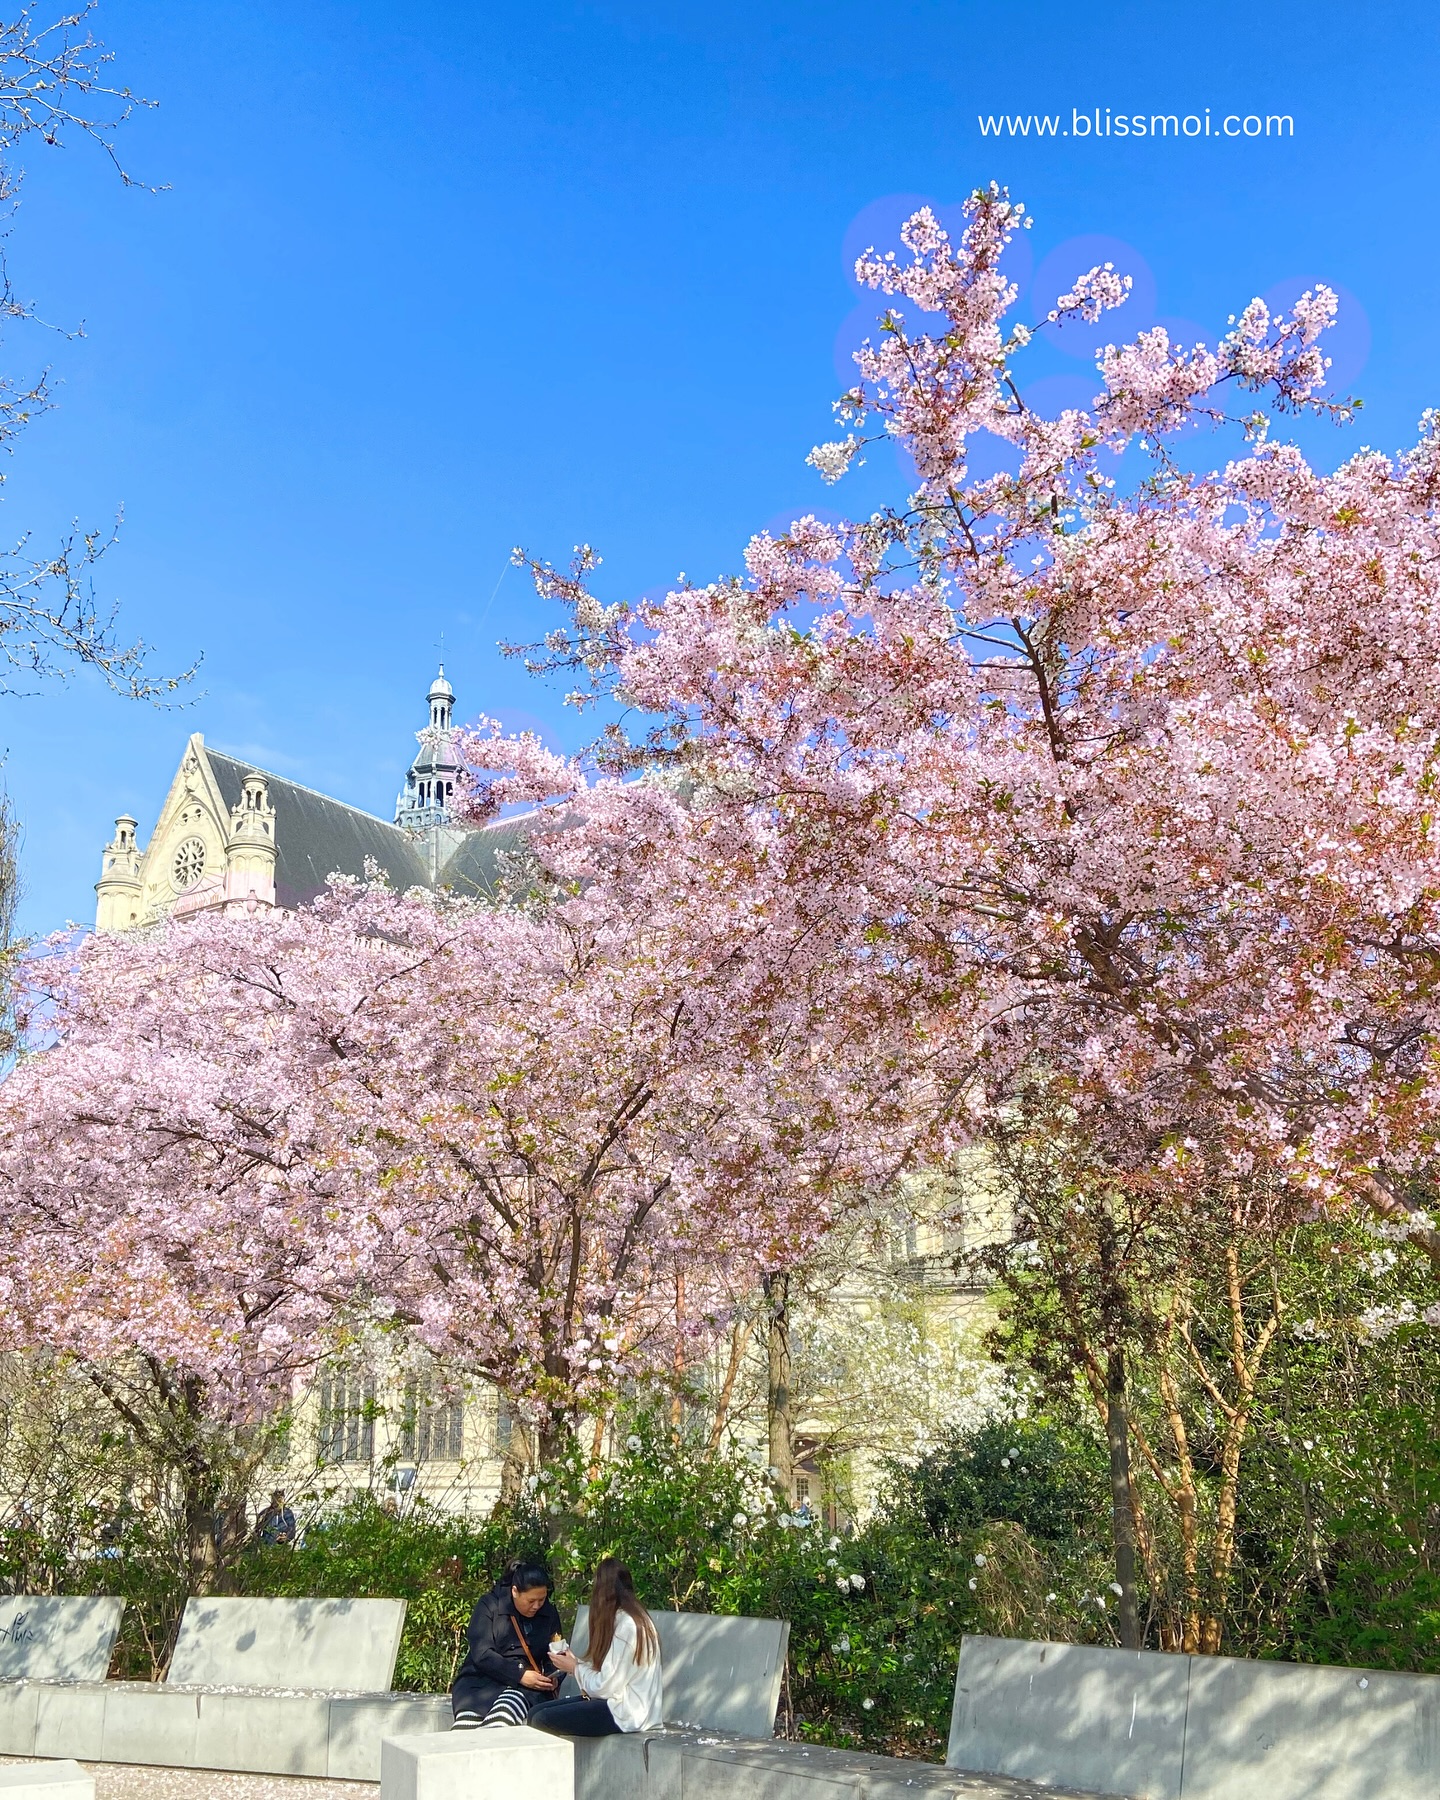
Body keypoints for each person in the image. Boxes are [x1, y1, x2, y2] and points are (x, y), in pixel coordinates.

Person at [533, 1558, 662, 1737]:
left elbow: (605, 1687)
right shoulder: (629, 1619)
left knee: (541, 1719)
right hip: (617, 1704)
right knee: (535, 1713)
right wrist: (575, 1664)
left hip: (626, 1712)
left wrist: (575, 1668)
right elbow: (610, 1675)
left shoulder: (628, 1626)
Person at [450, 1560, 565, 1729]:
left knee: (501, 1721)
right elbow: (482, 1653)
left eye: (541, 1600)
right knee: (465, 1728)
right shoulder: (489, 1605)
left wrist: (552, 1676)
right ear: (514, 1591)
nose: (536, 1606)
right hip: (480, 1683)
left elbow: (555, 1651)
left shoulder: (549, 1612)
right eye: (531, 1601)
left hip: (524, 1689)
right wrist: (519, 1674)